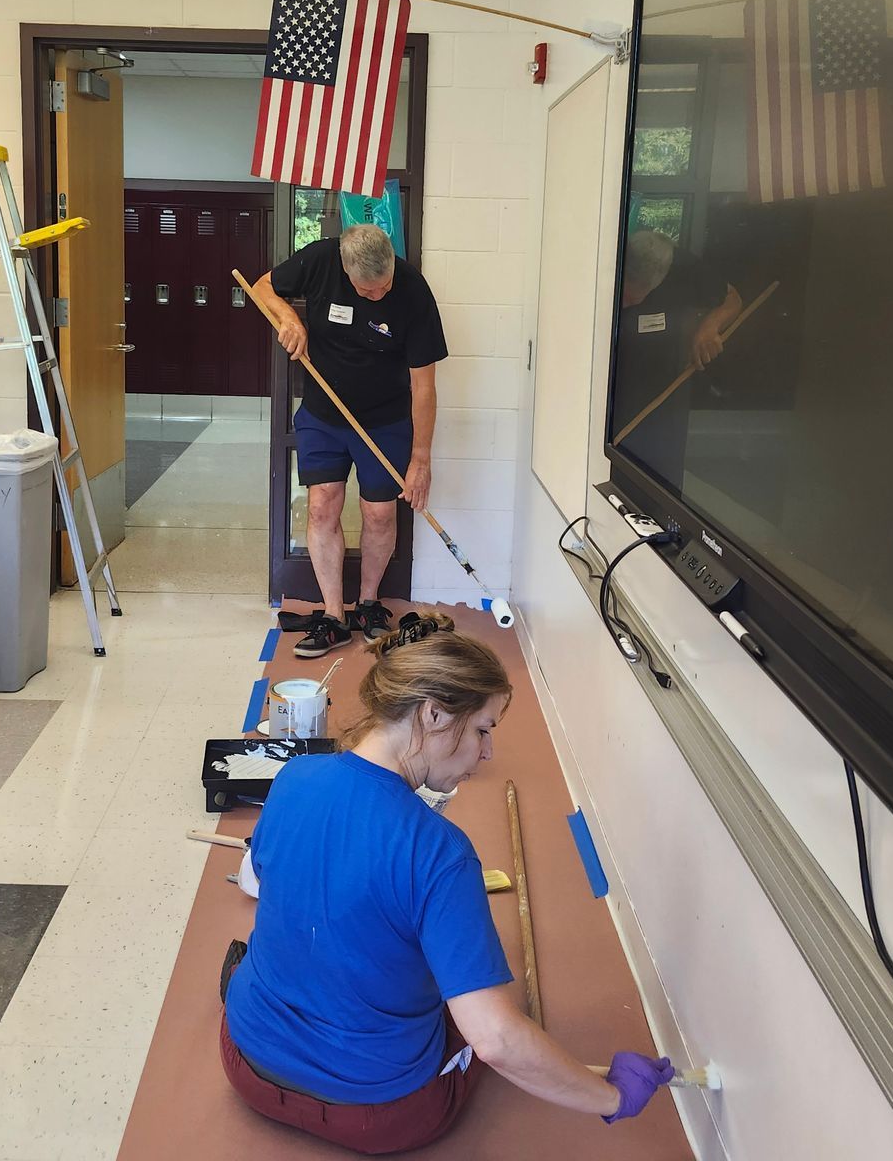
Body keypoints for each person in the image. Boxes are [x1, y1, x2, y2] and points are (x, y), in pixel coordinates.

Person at [219, 614, 677, 1154]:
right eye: (483, 729)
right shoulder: (441, 853)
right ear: (433, 713)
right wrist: (610, 1097)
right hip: (376, 1114)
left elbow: (256, 878)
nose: (486, 753)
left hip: (244, 1063)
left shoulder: (296, 776)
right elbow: (497, 1041)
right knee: (483, 1020)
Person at [252, 224, 449, 659]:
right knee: (322, 506)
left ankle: (368, 603)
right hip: (324, 415)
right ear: (344, 268)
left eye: (384, 288)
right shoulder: (321, 260)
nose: (377, 296)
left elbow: (424, 386)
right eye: (367, 291)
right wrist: (290, 319)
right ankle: (334, 616)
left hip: (385, 420)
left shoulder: (413, 292)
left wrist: (421, 460)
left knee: (379, 514)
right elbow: (263, 286)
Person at [611, 229, 742, 476]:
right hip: (614, 380)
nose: (622, 305)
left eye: (630, 299)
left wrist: (710, 326)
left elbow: (732, 299)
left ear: (658, 282)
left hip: (660, 383)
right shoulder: (611, 253)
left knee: (653, 465)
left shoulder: (686, 268)